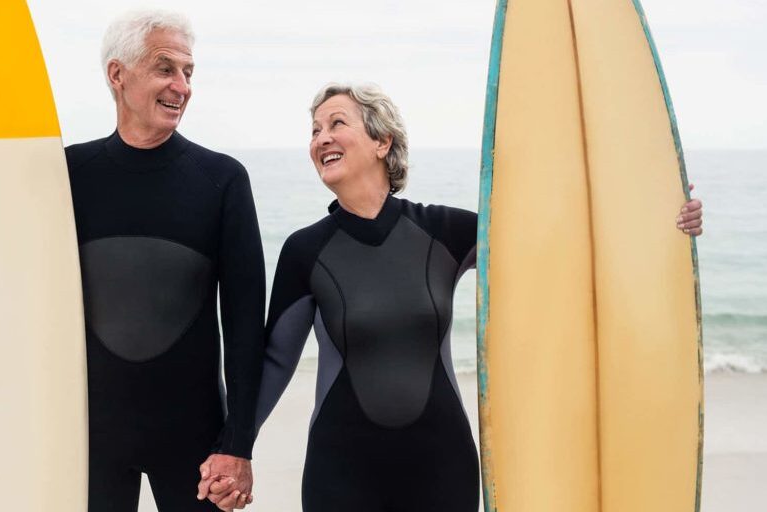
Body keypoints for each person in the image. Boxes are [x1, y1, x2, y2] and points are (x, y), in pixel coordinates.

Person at [200, 83, 704, 510]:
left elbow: (560, 248)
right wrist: (234, 448)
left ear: (382, 142)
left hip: (441, 465)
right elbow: (274, 360)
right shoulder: (305, 250)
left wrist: (663, 219)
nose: (321, 138)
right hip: (342, 472)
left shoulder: (444, 230)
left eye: (336, 123)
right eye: (314, 130)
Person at [0, 10, 262, 512]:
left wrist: (238, 445)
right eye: (166, 68)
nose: (181, 86)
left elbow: (246, 325)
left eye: (189, 73)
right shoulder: (67, 175)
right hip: (84, 437)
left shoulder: (221, 180)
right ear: (118, 74)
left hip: (196, 438)